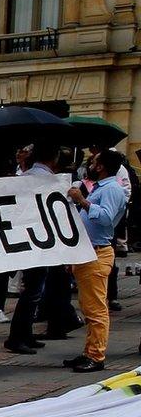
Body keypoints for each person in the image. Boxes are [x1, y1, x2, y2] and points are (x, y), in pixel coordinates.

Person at [64, 148, 129, 372]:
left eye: (94, 161)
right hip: (88, 252)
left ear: (100, 166)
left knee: (96, 309)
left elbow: (105, 218)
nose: (91, 164)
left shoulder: (111, 189)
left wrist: (82, 201)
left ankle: (96, 355)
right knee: (89, 306)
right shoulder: (103, 187)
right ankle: (89, 351)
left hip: (97, 252)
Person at [6, 143, 60, 355]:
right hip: (39, 240)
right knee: (33, 290)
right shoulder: (48, 180)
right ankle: (17, 336)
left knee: (32, 288)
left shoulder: (24, 177)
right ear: (53, 158)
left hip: (25, 238)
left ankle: (24, 334)